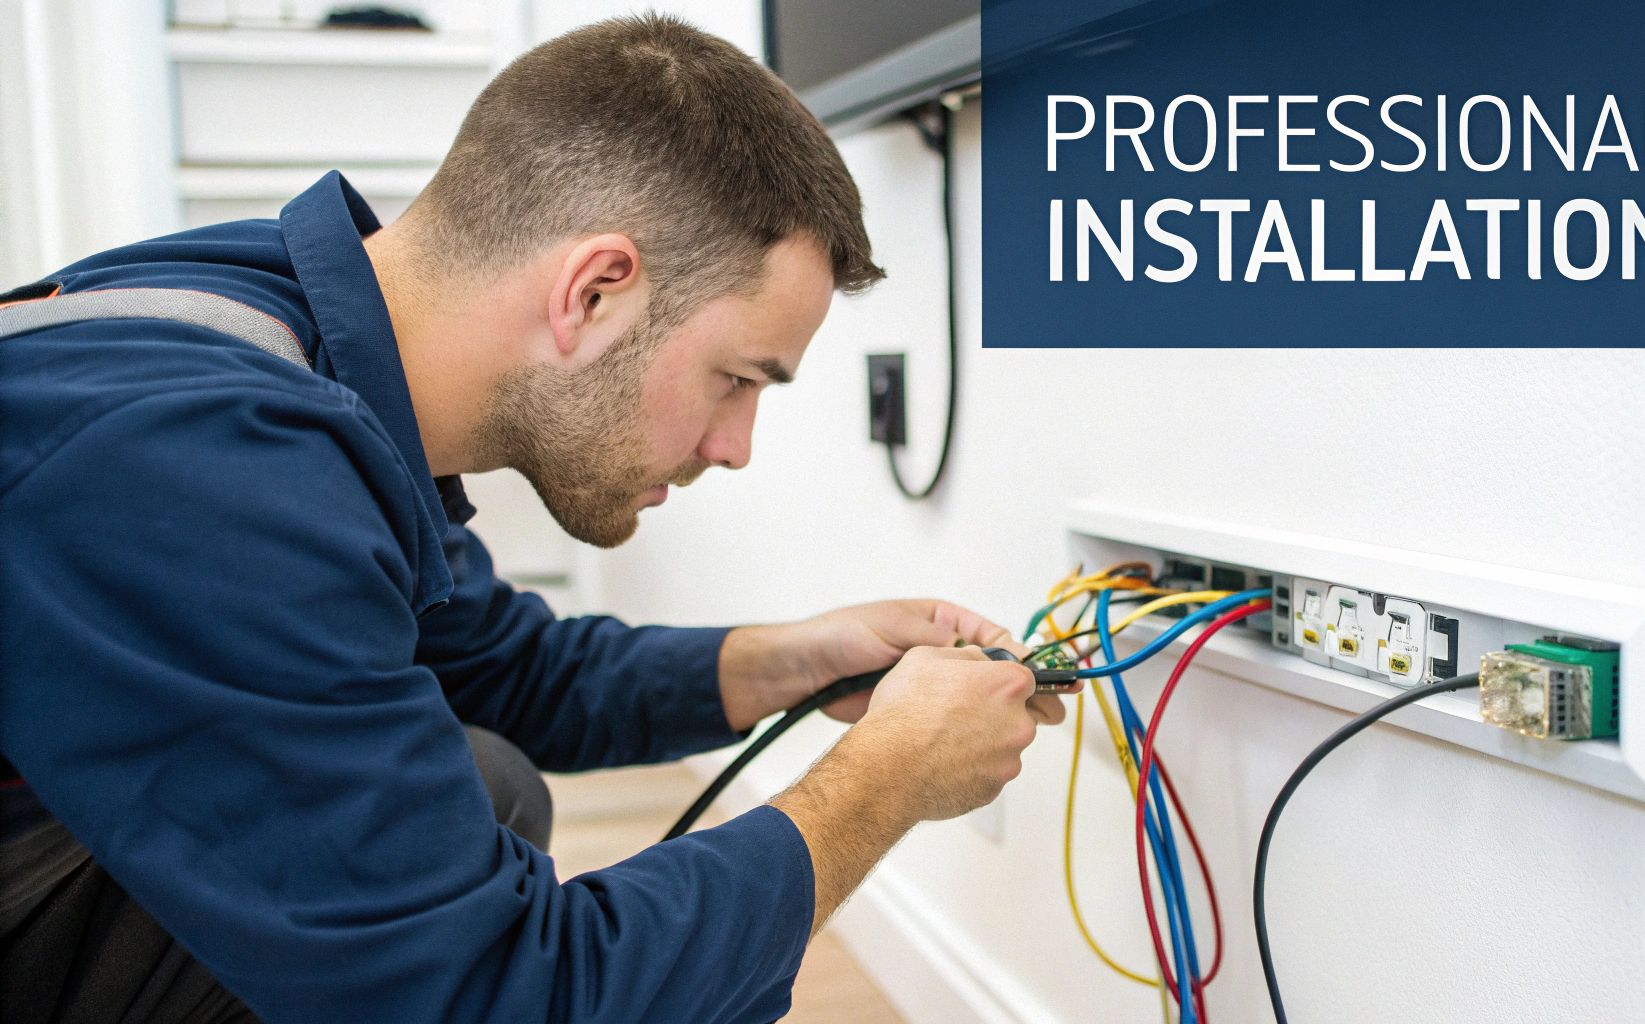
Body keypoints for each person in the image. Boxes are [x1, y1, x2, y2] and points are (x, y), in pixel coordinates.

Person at [0, 15, 1068, 1023]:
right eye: (738, 378)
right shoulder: (209, 471)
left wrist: (800, 660)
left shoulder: (289, 338)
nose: (734, 446)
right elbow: (503, 995)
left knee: (489, 785)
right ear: (594, 291)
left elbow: (501, 668)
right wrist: (882, 783)